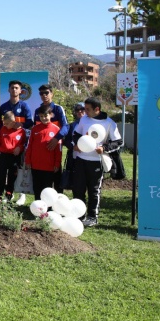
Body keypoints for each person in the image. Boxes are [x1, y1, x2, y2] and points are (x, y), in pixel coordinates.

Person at [72, 97, 122, 227]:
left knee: (94, 190)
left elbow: (118, 142)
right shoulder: (84, 119)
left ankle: (92, 217)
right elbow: (76, 134)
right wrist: (76, 144)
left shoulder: (109, 123)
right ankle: (79, 215)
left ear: (97, 109)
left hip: (96, 162)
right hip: (81, 159)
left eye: (88, 109)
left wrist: (104, 148)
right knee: (78, 189)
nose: (85, 112)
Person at [33, 84, 69, 191]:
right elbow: (36, 129)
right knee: (43, 176)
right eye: (41, 93)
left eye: (46, 93)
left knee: (56, 173)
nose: (44, 95)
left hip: (55, 146)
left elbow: (66, 126)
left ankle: (58, 200)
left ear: (51, 93)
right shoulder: (37, 111)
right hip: (41, 149)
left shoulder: (58, 109)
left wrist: (57, 138)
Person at [25, 104, 62, 200]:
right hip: (35, 164)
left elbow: (59, 149)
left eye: (45, 116)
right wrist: (28, 161)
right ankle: (37, 207)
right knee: (37, 187)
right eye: (41, 116)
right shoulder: (35, 129)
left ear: (51, 115)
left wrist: (57, 163)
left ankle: (47, 208)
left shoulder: (56, 130)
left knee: (47, 189)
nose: (44, 118)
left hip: (49, 166)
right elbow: (29, 146)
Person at [0, 111, 26, 202]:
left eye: (6, 123)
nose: (4, 125)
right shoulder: (3, 129)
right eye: (3, 123)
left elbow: (24, 144)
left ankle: (8, 195)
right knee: (1, 176)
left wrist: (19, 148)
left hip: (14, 157)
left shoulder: (21, 131)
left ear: (13, 122)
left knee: (11, 177)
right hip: (3, 156)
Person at [61, 102, 86, 193]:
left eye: (82, 109)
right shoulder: (71, 126)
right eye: (77, 110)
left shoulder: (92, 124)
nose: (80, 111)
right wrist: (73, 146)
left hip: (89, 157)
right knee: (75, 180)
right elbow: (66, 140)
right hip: (74, 156)